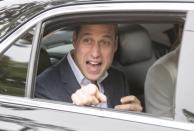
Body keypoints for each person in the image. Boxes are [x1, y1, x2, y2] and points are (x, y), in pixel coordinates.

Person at [35, 24, 142, 112]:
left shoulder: (119, 78)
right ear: (74, 40)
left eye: (104, 42)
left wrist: (136, 120)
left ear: (115, 45)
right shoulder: (43, 88)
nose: (95, 53)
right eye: (87, 40)